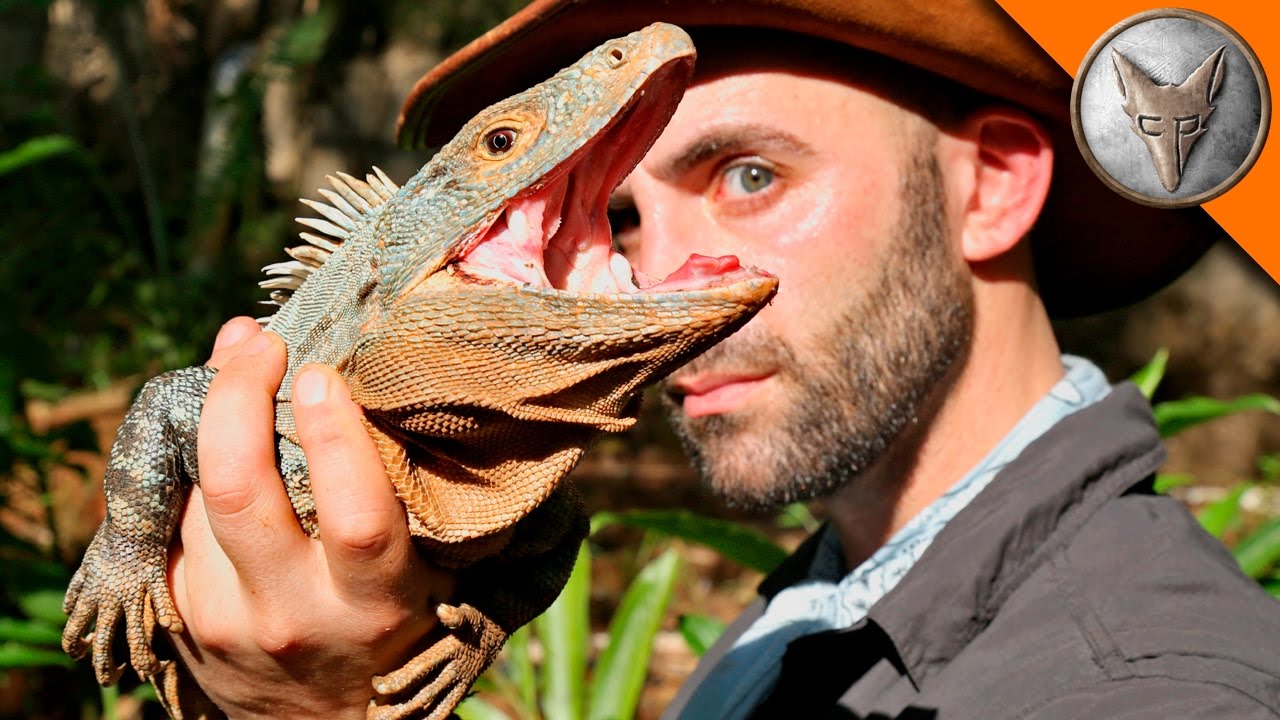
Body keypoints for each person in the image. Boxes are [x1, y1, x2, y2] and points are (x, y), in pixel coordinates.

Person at [168, 1, 1280, 718]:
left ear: (990, 184)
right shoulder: (814, 613)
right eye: (619, 220)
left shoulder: (1144, 688)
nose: (661, 274)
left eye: (748, 174)